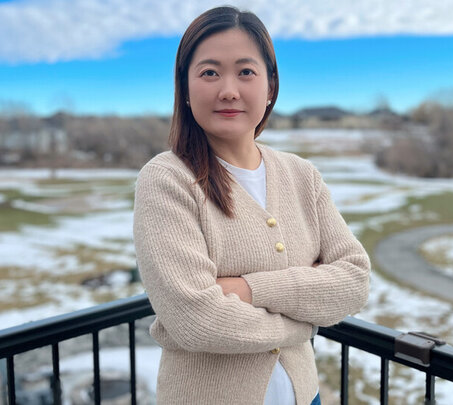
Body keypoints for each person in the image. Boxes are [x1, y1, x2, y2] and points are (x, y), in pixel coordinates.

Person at [132, 6, 370, 405]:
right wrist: (303, 322)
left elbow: (354, 280)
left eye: (246, 71)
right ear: (185, 89)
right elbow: (196, 321)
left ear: (271, 86)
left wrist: (246, 289)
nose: (229, 89)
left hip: (304, 395)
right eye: (209, 72)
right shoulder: (167, 179)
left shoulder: (301, 175)